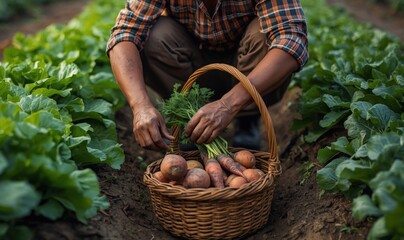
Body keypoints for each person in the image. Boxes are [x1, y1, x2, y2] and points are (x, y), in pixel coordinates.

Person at [107, 0, 308, 152]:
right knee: (154, 35)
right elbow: (125, 34)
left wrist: (228, 104)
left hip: (246, 69)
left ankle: (247, 119)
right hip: (193, 63)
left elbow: (292, 39)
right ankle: (190, 121)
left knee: (264, 37)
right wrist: (140, 105)